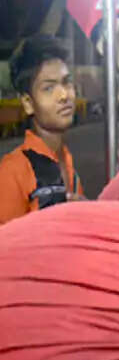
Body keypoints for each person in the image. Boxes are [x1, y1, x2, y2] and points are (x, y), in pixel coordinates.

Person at [0, 35, 84, 225]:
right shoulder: (14, 172)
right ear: (28, 103)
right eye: (48, 88)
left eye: (66, 82)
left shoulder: (68, 162)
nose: (64, 95)